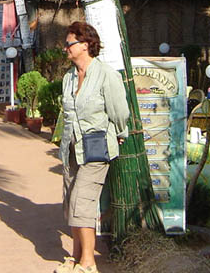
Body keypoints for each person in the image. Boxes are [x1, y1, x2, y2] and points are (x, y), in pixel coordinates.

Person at [57, 22, 130, 273]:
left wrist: (120, 133)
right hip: (71, 148)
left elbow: (120, 111)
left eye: (69, 44)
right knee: (70, 202)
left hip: (96, 147)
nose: (65, 48)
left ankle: (89, 263)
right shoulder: (68, 77)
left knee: (82, 202)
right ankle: (76, 257)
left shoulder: (106, 75)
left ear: (85, 45)